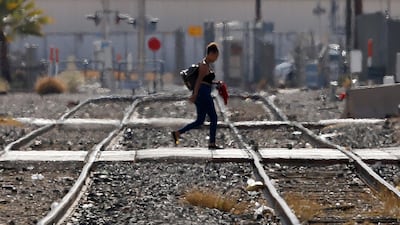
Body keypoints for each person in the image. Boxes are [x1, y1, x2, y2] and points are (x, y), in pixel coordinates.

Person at [172, 42, 223, 150]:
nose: (216, 58)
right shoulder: (204, 65)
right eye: (216, 55)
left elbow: (206, 81)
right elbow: (199, 81)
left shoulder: (206, 65)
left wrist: (215, 83)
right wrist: (194, 94)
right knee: (213, 117)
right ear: (211, 54)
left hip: (202, 93)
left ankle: (177, 133)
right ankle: (212, 143)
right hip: (203, 94)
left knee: (200, 121)